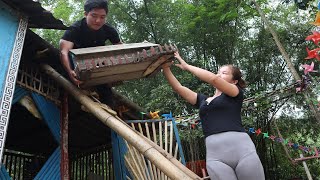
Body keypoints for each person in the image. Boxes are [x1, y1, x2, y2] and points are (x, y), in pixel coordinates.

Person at [162, 52, 265, 180]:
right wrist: (165, 67)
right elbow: (178, 88)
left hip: (242, 151)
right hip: (215, 156)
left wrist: (187, 66)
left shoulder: (235, 93)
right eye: (218, 72)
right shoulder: (202, 101)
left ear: (234, 81)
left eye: (224, 73)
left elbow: (213, 79)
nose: (218, 75)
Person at [59, 0, 122, 107]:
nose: (98, 21)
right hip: (75, 67)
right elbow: (63, 51)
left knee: (108, 100)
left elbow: (121, 47)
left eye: (102, 17)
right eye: (94, 16)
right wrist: (70, 72)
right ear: (85, 14)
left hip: (97, 67)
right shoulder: (75, 29)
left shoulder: (109, 30)